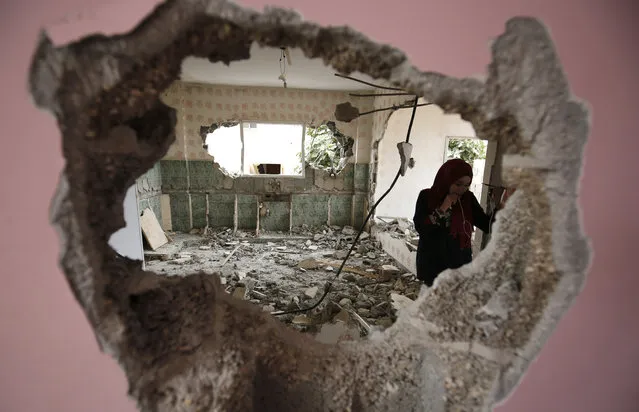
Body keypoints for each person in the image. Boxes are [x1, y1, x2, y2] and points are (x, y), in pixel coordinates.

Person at [413, 158, 508, 286]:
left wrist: (502, 207)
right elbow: (421, 228)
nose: (462, 189)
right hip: (433, 265)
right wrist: (442, 208)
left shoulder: (467, 199)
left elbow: (487, 225)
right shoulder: (427, 197)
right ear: (447, 180)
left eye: (466, 185)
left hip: (459, 264)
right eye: (458, 184)